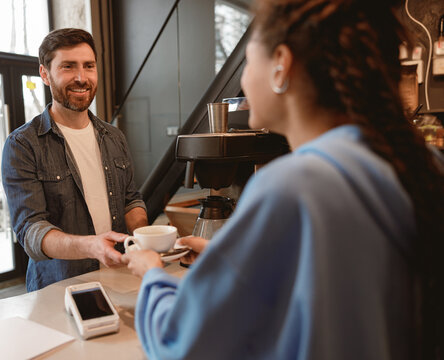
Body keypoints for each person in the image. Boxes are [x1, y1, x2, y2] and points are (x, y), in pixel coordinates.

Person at [123, 0, 444, 359]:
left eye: (247, 60)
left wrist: (152, 275)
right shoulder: (422, 164)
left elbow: (183, 344)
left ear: (280, 65)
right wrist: (238, 260)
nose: (243, 79)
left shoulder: (294, 186)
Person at [2, 28, 148, 291]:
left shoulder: (114, 137)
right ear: (45, 74)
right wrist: (90, 246)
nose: (81, 78)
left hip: (120, 281)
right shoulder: (23, 145)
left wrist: (147, 236)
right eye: (68, 67)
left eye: (88, 66)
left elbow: (130, 200)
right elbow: (31, 231)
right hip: (59, 288)